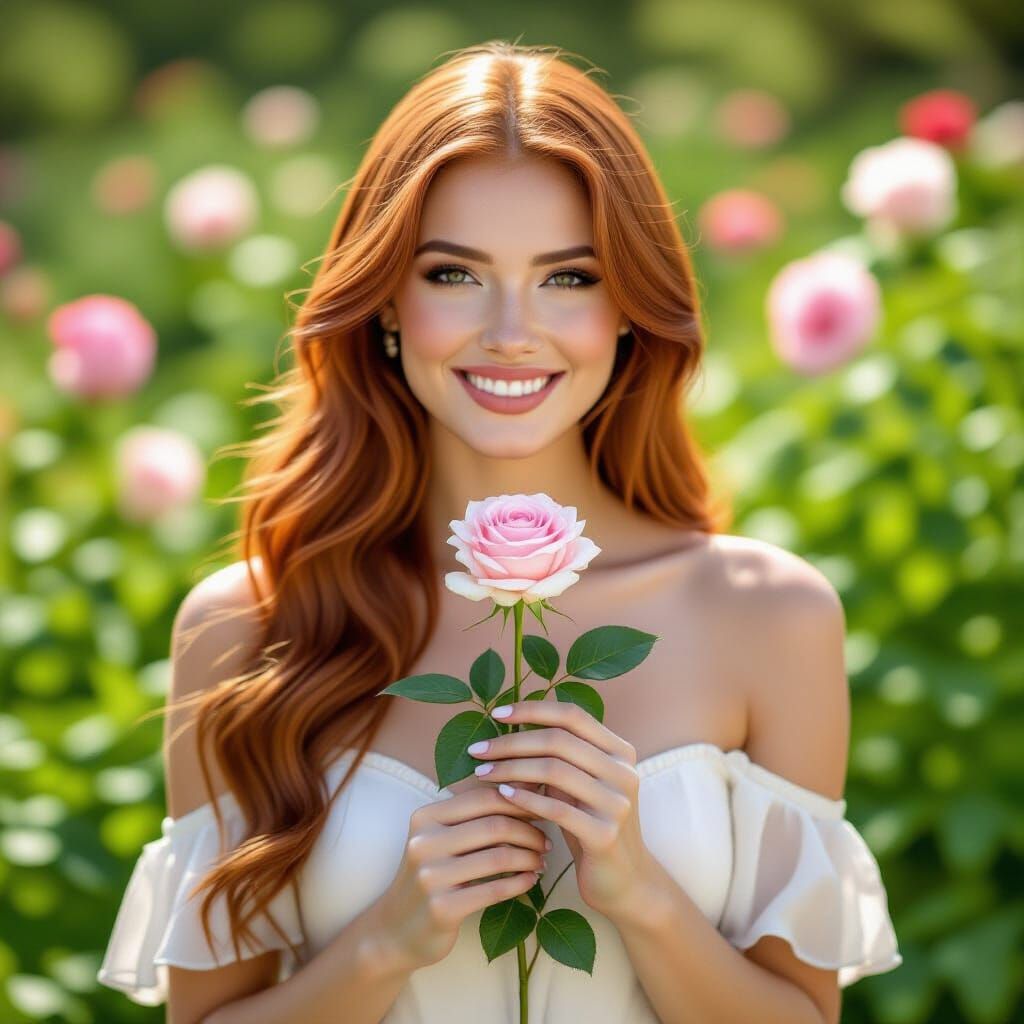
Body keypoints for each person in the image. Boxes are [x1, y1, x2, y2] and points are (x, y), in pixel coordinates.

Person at [96, 40, 901, 1024]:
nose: (512, 330)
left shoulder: (767, 616)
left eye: (568, 278)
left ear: (628, 310)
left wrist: (642, 893)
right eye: (455, 274)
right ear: (387, 299)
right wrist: (387, 941)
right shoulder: (247, 628)